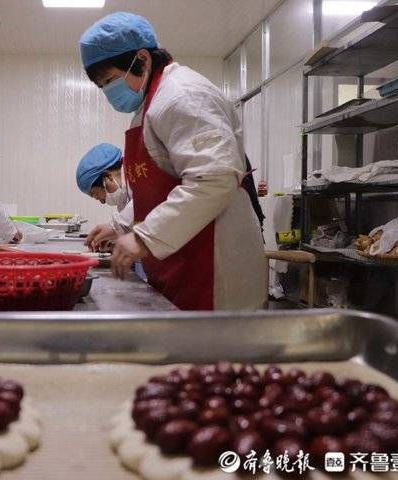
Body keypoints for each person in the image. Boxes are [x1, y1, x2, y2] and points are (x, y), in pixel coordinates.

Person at [79, 12, 267, 310]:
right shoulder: (149, 106)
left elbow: (214, 178)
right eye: (102, 86)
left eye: (110, 80)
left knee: (216, 353)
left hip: (214, 261)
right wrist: (122, 226)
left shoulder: (183, 95)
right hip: (183, 255)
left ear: (141, 58)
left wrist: (144, 237)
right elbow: (158, 191)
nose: (108, 92)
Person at [76, 143, 134, 241]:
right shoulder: (125, 197)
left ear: (108, 178)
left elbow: (142, 206)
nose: (103, 202)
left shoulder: (141, 180)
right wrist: (115, 240)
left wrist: (115, 228)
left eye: (97, 195)